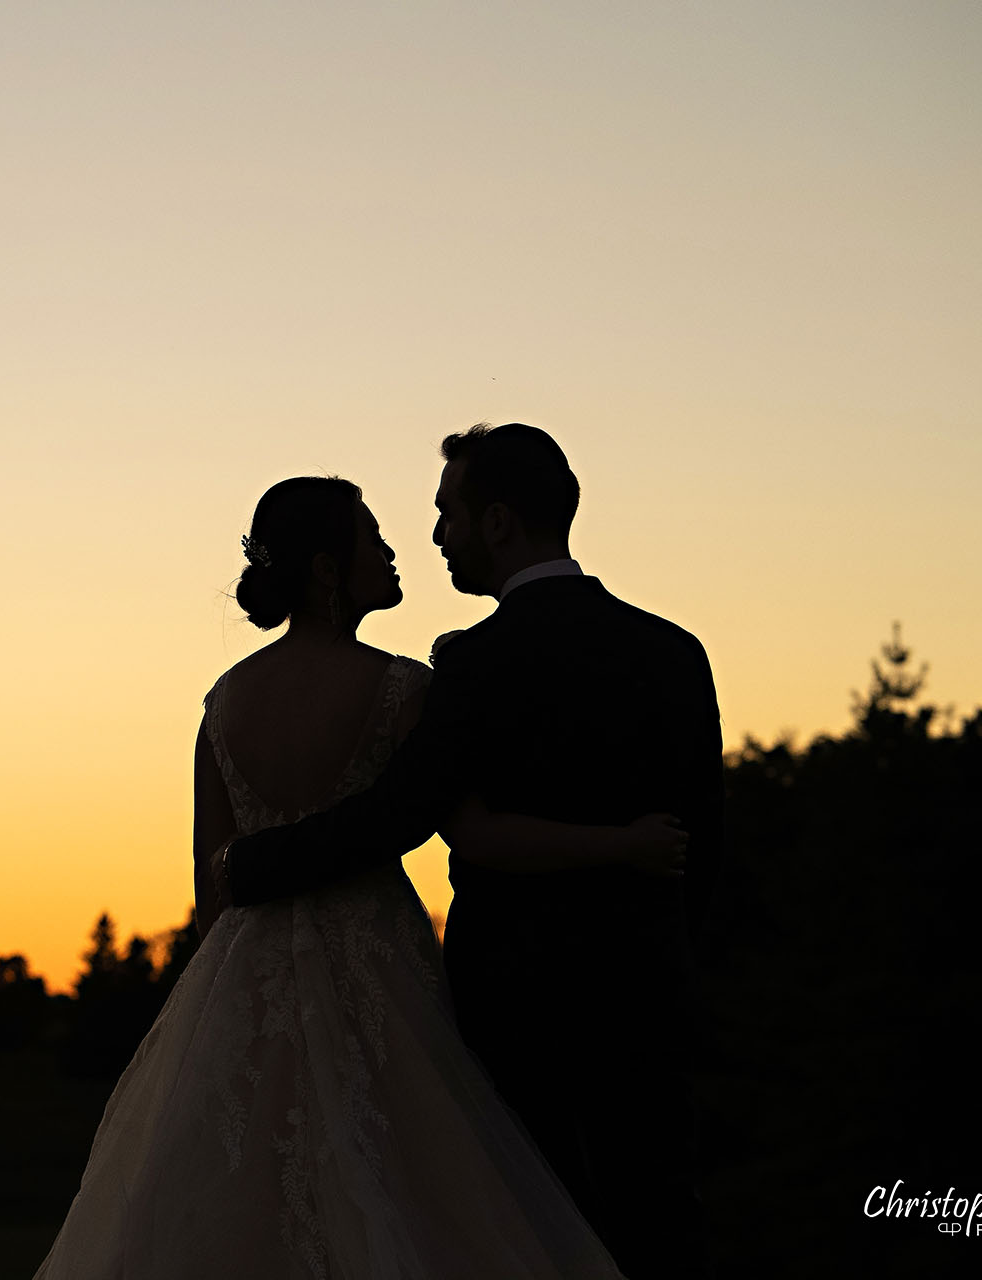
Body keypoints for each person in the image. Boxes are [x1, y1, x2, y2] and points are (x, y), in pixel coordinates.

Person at [35, 473, 686, 1279]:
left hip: (240, 982)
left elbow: (213, 886)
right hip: (381, 970)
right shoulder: (404, 687)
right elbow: (473, 833)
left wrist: (242, 994)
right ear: (327, 570)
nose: (391, 551)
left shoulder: (224, 702)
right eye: (372, 538)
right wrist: (620, 844)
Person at [220, 427, 722, 1279]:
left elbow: (402, 812)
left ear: (496, 522)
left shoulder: (470, 664)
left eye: (446, 512)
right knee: (656, 1224)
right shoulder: (674, 650)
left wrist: (252, 866)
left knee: (531, 1234)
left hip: (515, 1006)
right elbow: (704, 846)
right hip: (648, 996)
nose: (434, 535)